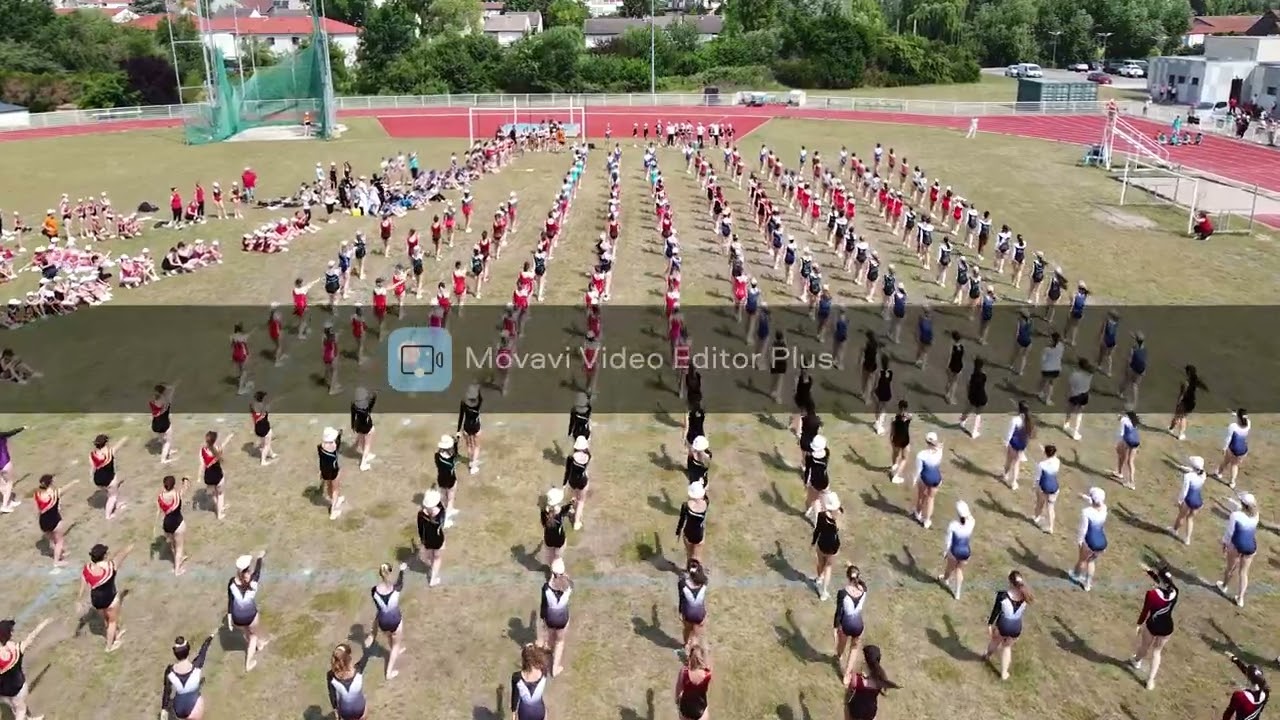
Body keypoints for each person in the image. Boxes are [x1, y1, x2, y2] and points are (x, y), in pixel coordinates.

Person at [77, 542, 135, 652]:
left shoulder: (87, 568)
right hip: (109, 598)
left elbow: (83, 584)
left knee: (105, 617)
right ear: (104, 555)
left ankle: (115, 635)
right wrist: (131, 544)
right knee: (112, 621)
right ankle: (109, 646)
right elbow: (123, 554)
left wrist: (79, 599)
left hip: (96, 600)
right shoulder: (111, 566)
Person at [1130, 564, 1177, 690]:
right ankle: (1150, 681)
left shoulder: (1152, 594)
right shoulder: (1175, 591)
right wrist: (1149, 571)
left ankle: (1137, 661)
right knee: (1157, 652)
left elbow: (1145, 611)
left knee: (1145, 646)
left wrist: (1139, 624)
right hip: (1167, 627)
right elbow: (1163, 583)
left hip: (1153, 625)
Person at [983, 570, 1033, 681]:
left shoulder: (1002, 595)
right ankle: (1004, 673)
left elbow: (995, 611)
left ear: (1010, 582)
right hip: (1016, 626)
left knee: (995, 641)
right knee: (1007, 647)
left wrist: (990, 624)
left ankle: (987, 655)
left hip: (1004, 624)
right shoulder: (1025, 596)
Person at [0, 617, 52, 720]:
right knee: (21, 709)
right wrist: (42, 624)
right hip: (17, 689)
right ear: (8, 634)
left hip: (2, 691)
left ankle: (28, 718)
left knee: (16, 705)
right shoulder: (17, 650)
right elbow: (31, 638)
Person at [159, 628, 217, 720]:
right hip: (194, 709)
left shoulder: (169, 671)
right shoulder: (197, 666)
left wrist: (164, 709)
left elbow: (166, 692)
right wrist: (210, 637)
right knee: (199, 699)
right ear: (188, 650)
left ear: (175, 653)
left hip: (179, 711)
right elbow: (203, 651)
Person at [366, 562, 408, 680]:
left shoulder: (374, 591)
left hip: (383, 621)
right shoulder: (396, 588)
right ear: (390, 573)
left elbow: (378, 608)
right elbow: (400, 581)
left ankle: (396, 650)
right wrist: (402, 570)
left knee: (389, 636)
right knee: (396, 644)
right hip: (395, 620)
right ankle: (389, 672)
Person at [1218, 492, 1260, 608]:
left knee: (1230, 568)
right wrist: (1234, 503)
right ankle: (1240, 599)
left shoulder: (1235, 515)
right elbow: (1243, 512)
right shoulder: (1256, 515)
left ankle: (1224, 586)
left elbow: (1230, 533)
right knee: (1243, 572)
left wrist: (1225, 543)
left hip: (1236, 545)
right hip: (1251, 547)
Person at [843, 644, 898, 720]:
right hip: (871, 711)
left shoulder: (858, 678)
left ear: (865, 660)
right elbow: (885, 691)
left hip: (856, 709)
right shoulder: (881, 677)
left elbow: (849, 691)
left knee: (847, 708)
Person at [326, 643, 370, 720]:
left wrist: (335, 709)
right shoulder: (358, 669)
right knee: (364, 698)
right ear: (349, 658)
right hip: (359, 708)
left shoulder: (331, 676)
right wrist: (366, 646)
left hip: (344, 711)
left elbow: (332, 695)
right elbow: (366, 657)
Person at [1222, 651, 1269, 720]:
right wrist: (1235, 659)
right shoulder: (1265, 692)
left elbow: (1228, 714)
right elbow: (1251, 674)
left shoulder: (1240, 696)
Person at [511, 643, 549, 720]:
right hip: (539, 710)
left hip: (524, 712)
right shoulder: (544, 671)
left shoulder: (517, 677)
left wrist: (513, 712)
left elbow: (515, 696)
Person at [675, 641, 711, 720]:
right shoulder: (707, 674)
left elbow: (678, 689)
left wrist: (677, 701)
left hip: (685, 709)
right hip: (700, 710)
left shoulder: (684, 671)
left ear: (690, 657)